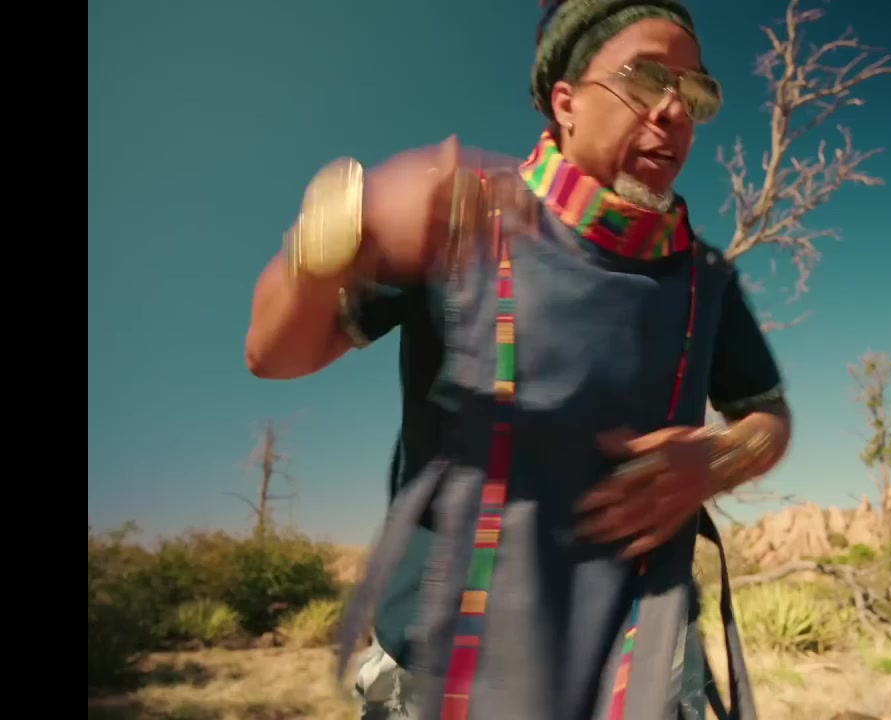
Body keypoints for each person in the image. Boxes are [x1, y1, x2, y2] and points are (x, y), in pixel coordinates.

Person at [244, 1, 794, 718]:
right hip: (446, 670)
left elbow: (767, 414)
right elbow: (273, 354)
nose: (673, 110)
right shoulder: (457, 217)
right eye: (646, 78)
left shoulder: (705, 278)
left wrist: (718, 460)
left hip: (645, 668)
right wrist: (349, 224)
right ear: (566, 103)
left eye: (694, 93)